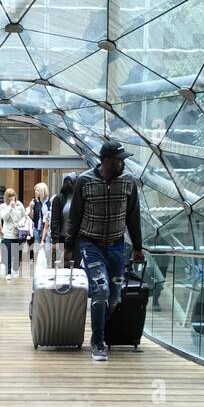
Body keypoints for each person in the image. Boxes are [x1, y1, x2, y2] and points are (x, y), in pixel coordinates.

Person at [64, 142, 145, 362]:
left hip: (117, 246)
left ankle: (101, 330)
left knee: (114, 297)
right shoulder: (85, 181)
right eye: (119, 159)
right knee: (100, 290)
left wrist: (137, 246)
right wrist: (69, 247)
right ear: (106, 160)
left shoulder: (128, 182)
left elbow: (133, 216)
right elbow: (75, 217)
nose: (123, 162)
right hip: (91, 245)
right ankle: (97, 341)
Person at [0, 189, 30, 279]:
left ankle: (15, 268)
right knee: (8, 253)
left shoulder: (19, 204)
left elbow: (24, 216)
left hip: (18, 232)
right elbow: (4, 217)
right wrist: (10, 208)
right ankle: (8, 273)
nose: (12, 198)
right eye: (10, 196)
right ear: (6, 197)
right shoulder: (3, 206)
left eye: (13, 195)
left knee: (17, 252)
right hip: (8, 233)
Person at [50, 174, 75, 268]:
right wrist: (55, 240)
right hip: (61, 238)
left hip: (75, 238)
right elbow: (55, 220)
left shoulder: (78, 198)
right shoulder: (59, 199)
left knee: (74, 266)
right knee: (60, 265)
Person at [29, 182, 49, 262]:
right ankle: (37, 262)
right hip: (37, 227)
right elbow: (32, 217)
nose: (35, 192)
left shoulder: (48, 202)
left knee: (47, 247)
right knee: (36, 245)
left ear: (42, 191)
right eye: (35, 190)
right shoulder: (34, 201)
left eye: (37, 190)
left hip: (46, 228)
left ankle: (47, 263)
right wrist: (30, 208)